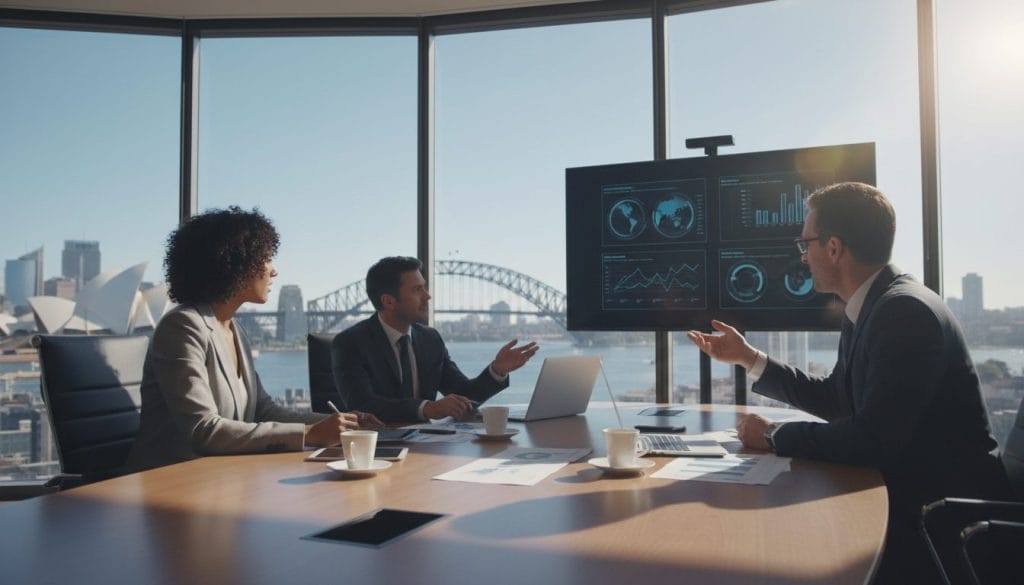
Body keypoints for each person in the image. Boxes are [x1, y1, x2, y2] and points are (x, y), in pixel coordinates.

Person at [687, 182, 1009, 584]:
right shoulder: (875, 304)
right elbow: (838, 397)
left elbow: (871, 439)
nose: (803, 257)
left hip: (938, 522)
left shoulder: (902, 312)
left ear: (834, 248)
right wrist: (748, 357)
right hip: (915, 500)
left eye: (806, 244)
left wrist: (772, 436)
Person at [124, 207, 381, 473]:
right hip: (170, 482)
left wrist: (341, 423)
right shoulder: (182, 327)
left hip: (221, 479)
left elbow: (264, 410)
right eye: (267, 258)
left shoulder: (233, 328)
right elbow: (204, 430)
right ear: (235, 264)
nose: (274, 271)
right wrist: (310, 433)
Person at [331, 256, 539, 422]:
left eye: (424, 287)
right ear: (388, 301)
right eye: (417, 289)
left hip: (425, 446)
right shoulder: (351, 343)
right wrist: (428, 408)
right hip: (377, 448)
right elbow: (364, 405)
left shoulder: (430, 339)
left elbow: (463, 395)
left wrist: (498, 370)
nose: (427, 296)